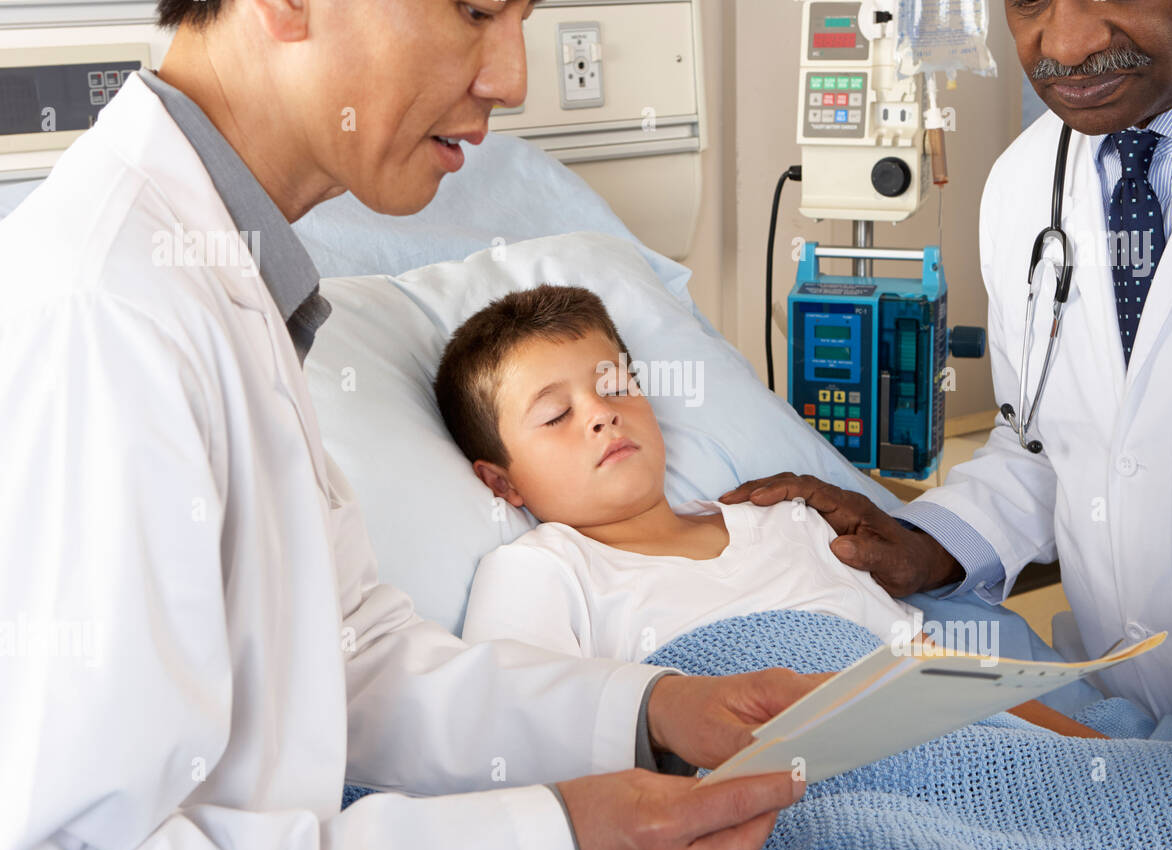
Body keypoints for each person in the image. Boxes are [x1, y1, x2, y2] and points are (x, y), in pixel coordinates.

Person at [0, 0, 825, 850]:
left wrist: (654, 708)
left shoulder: (234, 272)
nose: (512, 78)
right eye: (476, 10)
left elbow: (352, 658)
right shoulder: (106, 310)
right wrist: (552, 837)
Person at [723, 0, 1172, 745]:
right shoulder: (1027, 185)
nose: (1064, 45)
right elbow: (1043, 444)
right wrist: (924, 541)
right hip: (1123, 735)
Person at [441, 284, 1105, 740]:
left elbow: (937, 678)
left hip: (955, 747)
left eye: (617, 385)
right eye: (557, 415)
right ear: (502, 482)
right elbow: (520, 734)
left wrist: (1095, 753)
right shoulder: (543, 570)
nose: (601, 412)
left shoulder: (785, 522)